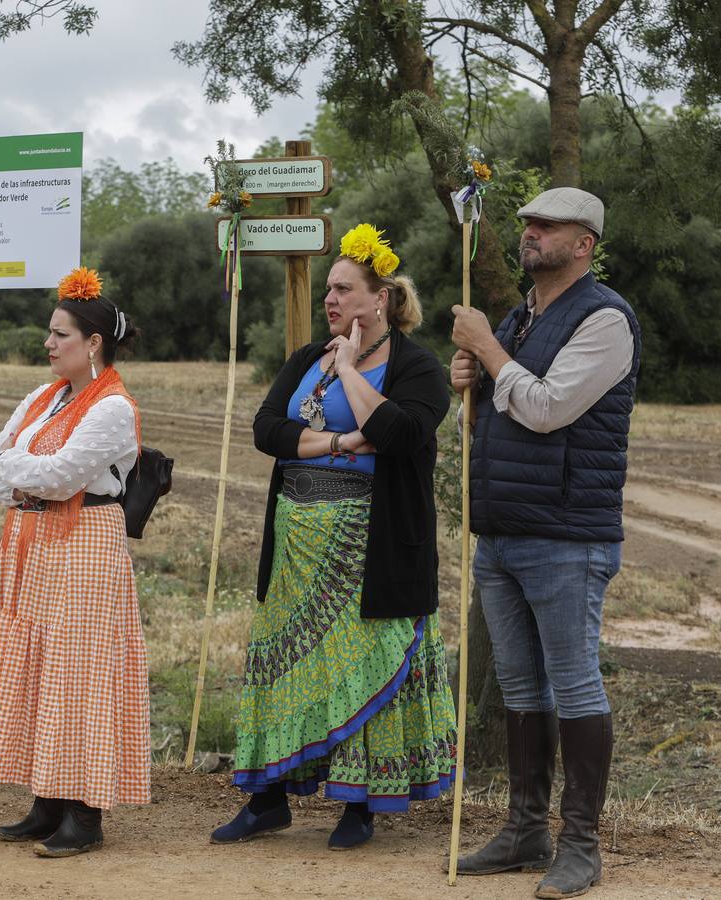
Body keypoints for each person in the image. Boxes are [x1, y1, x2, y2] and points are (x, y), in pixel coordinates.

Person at [211, 224, 457, 850]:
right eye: (329, 290)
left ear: (381, 300)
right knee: (285, 666)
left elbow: (403, 435)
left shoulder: (416, 366)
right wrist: (342, 442)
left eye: (345, 290)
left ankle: (359, 806)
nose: (333, 300)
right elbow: (267, 430)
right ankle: (266, 800)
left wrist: (350, 371)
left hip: (368, 547)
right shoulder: (303, 358)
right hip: (296, 542)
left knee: (358, 666)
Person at [450, 188, 639, 899]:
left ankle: (580, 845)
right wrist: (464, 382)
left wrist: (489, 351)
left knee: (574, 681)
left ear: (584, 242)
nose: (529, 233)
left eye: (546, 226)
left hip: (566, 534)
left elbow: (545, 409)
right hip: (500, 530)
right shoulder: (521, 317)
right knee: (522, 687)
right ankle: (526, 830)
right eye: (527, 223)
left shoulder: (606, 319)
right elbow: (495, 417)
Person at [0, 267, 148, 858]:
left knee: (81, 672)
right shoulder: (43, 397)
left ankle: (85, 812)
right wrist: (18, 474)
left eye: (60, 334)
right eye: (50, 333)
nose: (48, 344)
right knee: (41, 666)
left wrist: (15, 471)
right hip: (35, 543)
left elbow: (57, 475)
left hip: (86, 545)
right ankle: (46, 800)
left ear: (93, 343)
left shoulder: (114, 408)